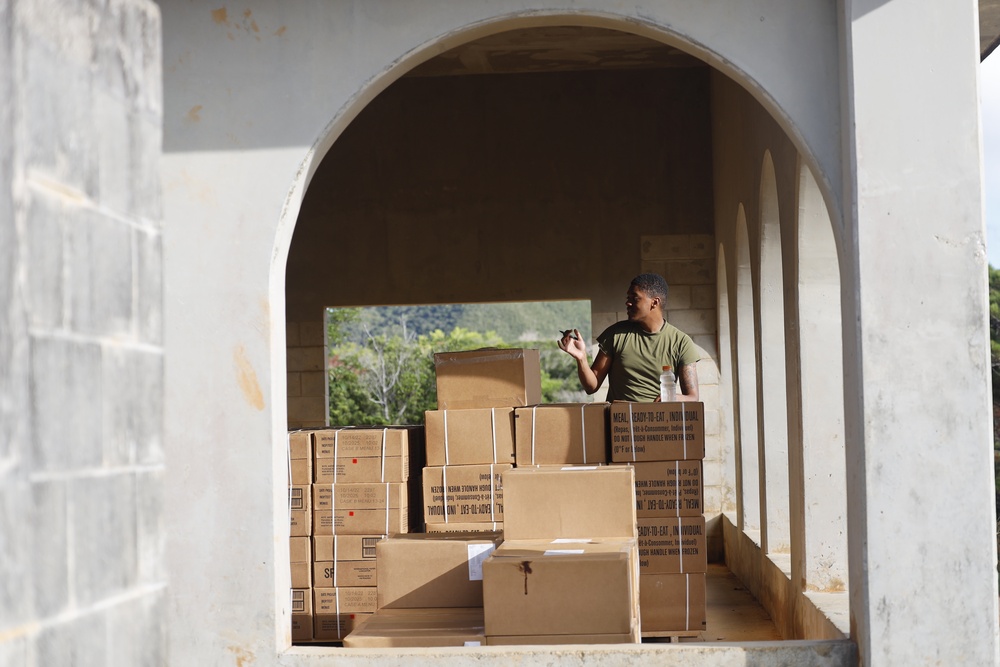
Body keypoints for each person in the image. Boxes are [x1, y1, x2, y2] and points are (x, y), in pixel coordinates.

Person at [558, 273, 700, 402]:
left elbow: (692, 397)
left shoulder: (681, 342)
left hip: (659, 420)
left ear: (654, 302)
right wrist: (581, 358)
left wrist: (672, 397)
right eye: (628, 298)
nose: (628, 303)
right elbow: (591, 387)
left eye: (635, 298)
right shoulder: (615, 334)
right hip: (620, 420)